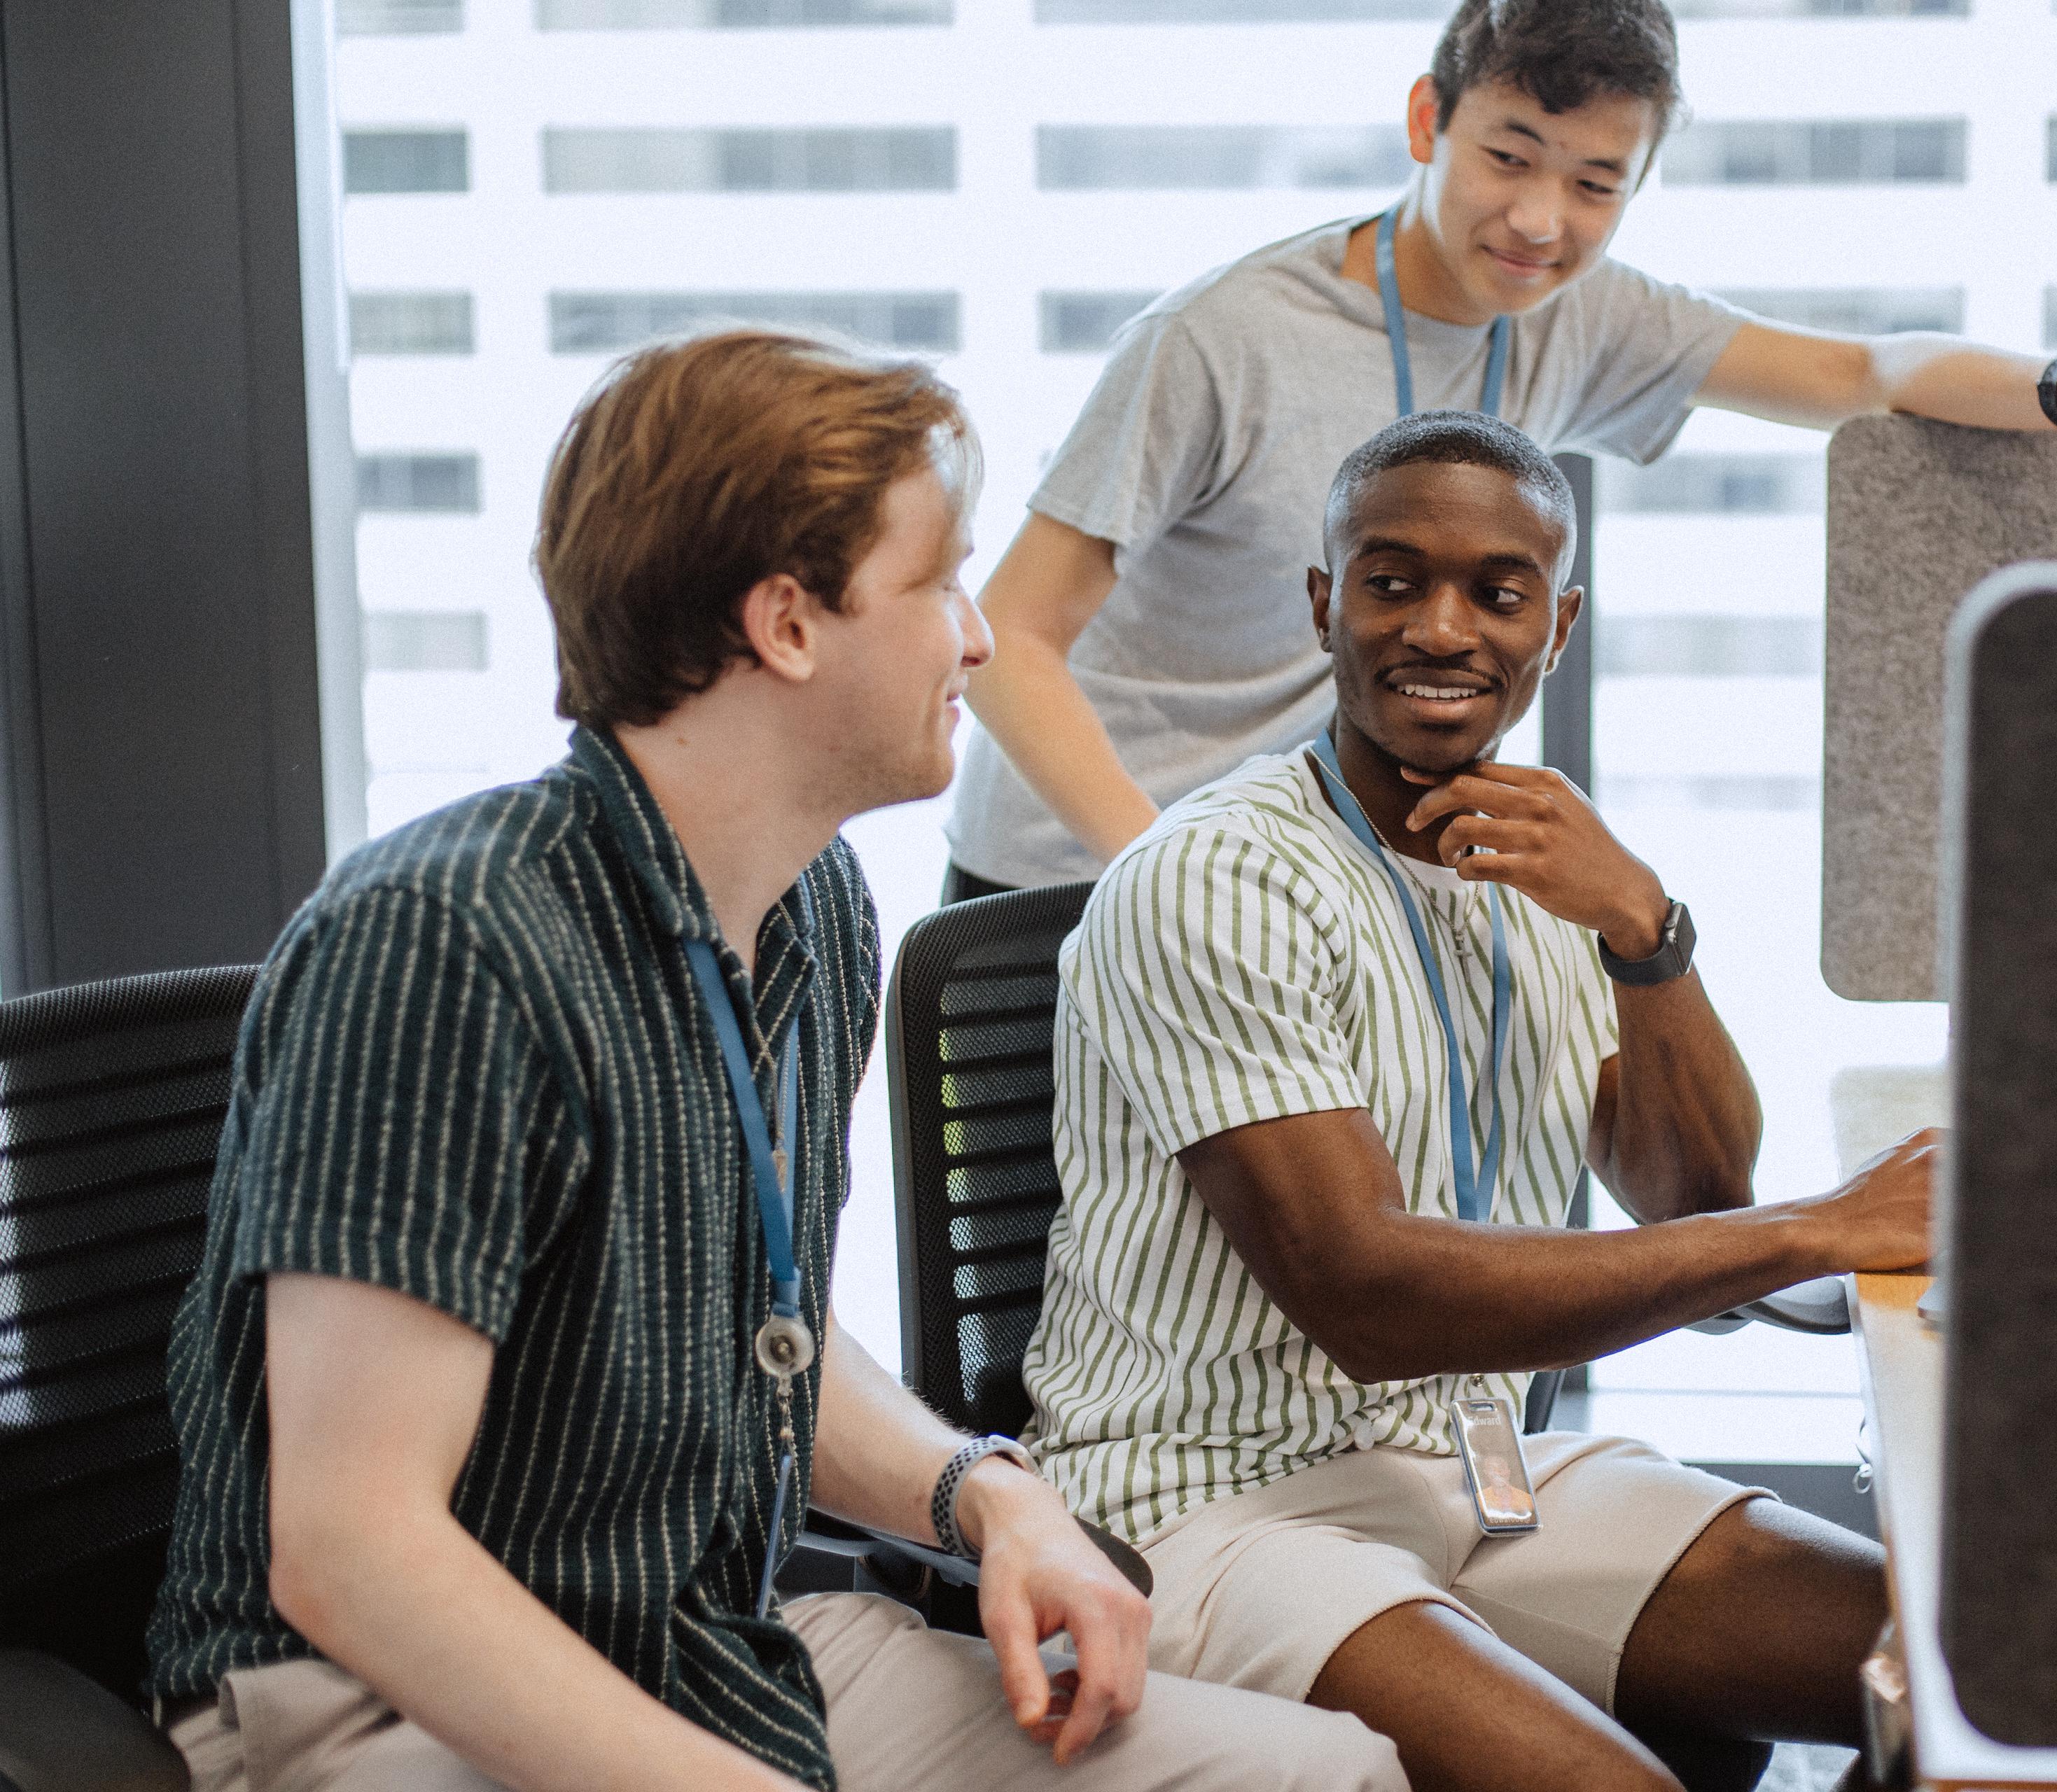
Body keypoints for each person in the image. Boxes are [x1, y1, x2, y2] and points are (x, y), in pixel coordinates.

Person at [143, 330, 1406, 1792]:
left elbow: (762, 1326)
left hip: (706, 1639)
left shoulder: (814, 905)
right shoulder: (445, 942)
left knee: (1333, 1774)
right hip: (384, 1702)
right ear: (789, 623)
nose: (982, 639)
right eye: (941, 583)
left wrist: (990, 1496)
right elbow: (353, 1551)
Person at [1021, 408, 1940, 1792]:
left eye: (1495, 592)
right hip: (1210, 1502)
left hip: (1481, 1467)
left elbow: (1693, 1196)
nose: (1441, 628)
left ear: (1554, 625)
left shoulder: (1543, 855)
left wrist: (1646, 929)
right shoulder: (1215, 877)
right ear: (1327, 601)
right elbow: (1369, 1291)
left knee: (1954, 1667)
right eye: (1394, 581)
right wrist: (1818, 1229)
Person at [944, 0, 2057, 897]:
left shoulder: (1579, 316)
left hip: (1293, 880)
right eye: (1509, 158)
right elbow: (1009, 644)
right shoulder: (1221, 338)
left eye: (1597, 185)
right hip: (1072, 869)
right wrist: (1160, 877)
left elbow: (1855, 375)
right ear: (1429, 120)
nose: (1542, 220)